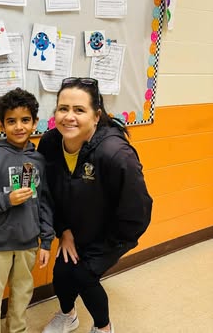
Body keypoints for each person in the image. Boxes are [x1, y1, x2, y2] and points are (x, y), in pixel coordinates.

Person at [38, 77, 153, 333]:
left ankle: (103, 328)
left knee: (83, 275)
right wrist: (63, 230)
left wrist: (106, 247)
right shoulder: (49, 144)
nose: (69, 117)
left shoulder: (115, 154)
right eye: (63, 108)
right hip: (75, 227)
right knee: (62, 273)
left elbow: (138, 212)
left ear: (96, 115)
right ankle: (68, 316)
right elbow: (48, 193)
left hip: (111, 234)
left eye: (79, 110)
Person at [0, 88, 55, 333]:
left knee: (22, 293)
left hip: (28, 242)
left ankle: (17, 329)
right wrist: (7, 199)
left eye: (25, 120)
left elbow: (44, 202)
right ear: (2, 124)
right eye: (11, 121)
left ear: (35, 122)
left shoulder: (38, 160)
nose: (19, 127)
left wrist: (46, 241)